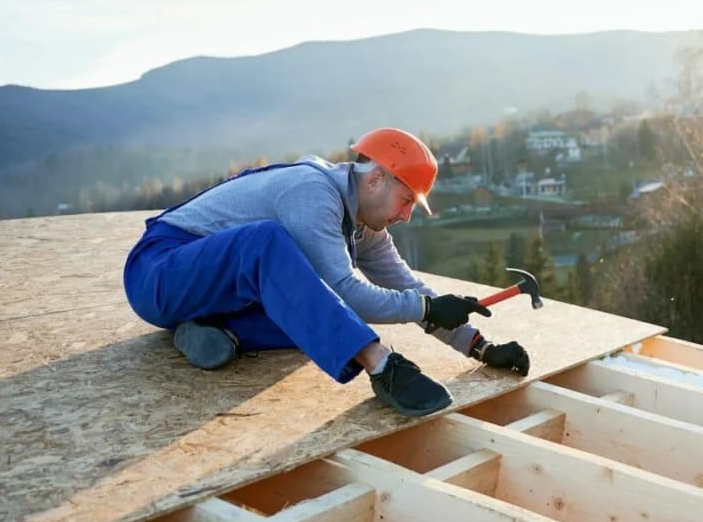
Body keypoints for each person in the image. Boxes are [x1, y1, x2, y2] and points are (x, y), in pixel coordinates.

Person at [123, 127, 530, 418]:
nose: (407, 216)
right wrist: (425, 308)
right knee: (283, 260)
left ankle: (220, 333)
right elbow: (348, 293)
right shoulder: (312, 193)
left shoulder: (364, 224)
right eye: (406, 200)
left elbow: (406, 284)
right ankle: (381, 365)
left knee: (315, 322)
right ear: (375, 180)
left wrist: (479, 347)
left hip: (208, 293)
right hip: (158, 273)